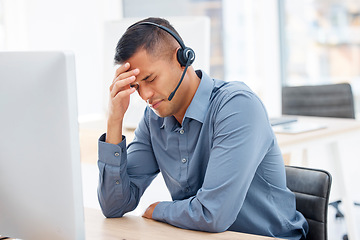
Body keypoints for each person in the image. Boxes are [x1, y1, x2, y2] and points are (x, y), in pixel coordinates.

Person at [97, 17, 308, 239]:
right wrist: (114, 119)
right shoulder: (153, 120)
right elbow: (114, 206)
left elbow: (212, 215)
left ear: (181, 58)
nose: (145, 95)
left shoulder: (237, 106)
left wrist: (158, 209)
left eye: (151, 79)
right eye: (136, 86)